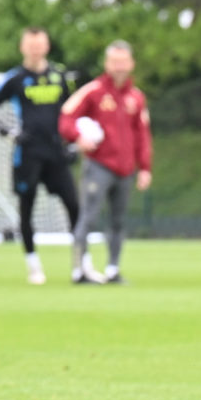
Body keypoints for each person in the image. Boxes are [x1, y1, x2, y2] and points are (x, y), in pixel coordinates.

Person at [0, 26, 80, 285]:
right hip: (28, 154)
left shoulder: (60, 76)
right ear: (23, 47)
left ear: (46, 46)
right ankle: (34, 266)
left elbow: (73, 112)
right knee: (26, 209)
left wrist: (73, 142)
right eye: (31, 45)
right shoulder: (15, 79)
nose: (36, 50)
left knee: (75, 206)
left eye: (40, 45)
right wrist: (9, 133)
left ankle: (81, 265)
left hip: (56, 153)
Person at [58, 41, 152, 285]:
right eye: (115, 62)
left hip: (125, 169)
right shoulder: (94, 91)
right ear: (107, 64)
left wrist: (145, 167)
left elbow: (142, 133)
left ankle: (112, 269)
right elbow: (66, 117)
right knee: (88, 217)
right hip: (98, 166)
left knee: (118, 221)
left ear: (131, 64)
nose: (120, 67)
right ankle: (80, 270)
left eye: (124, 62)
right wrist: (78, 137)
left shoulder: (136, 97)